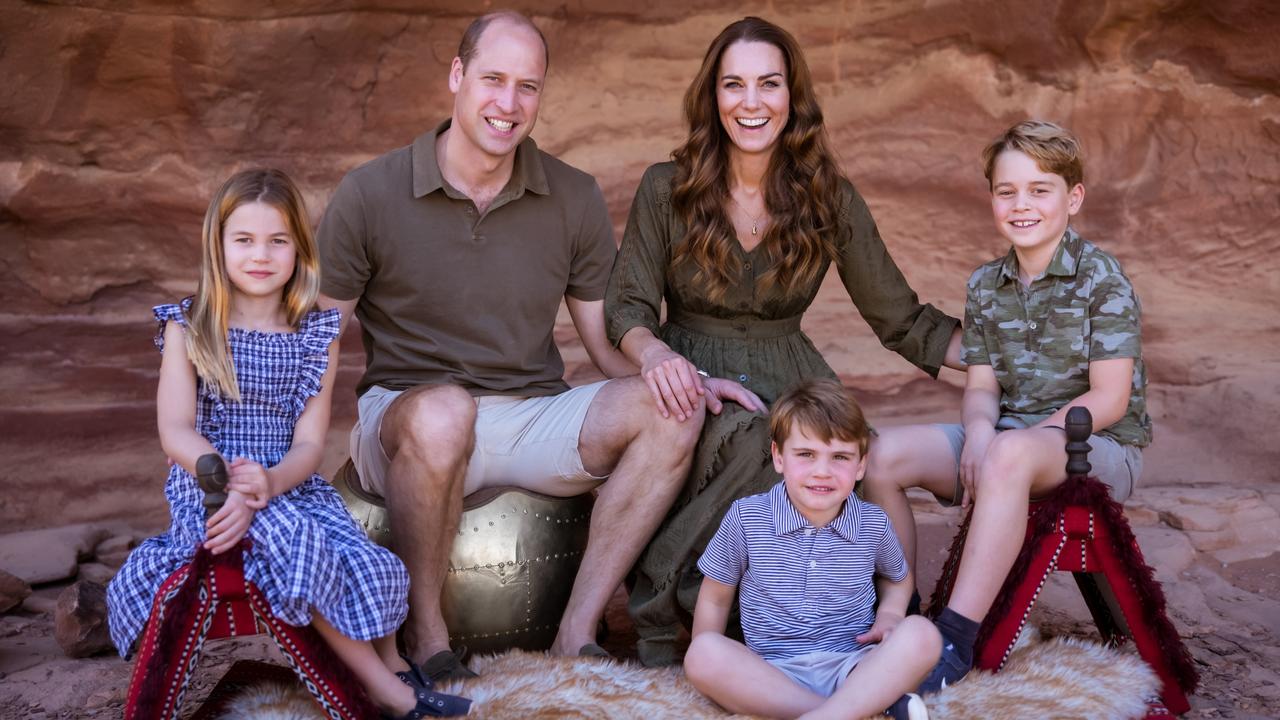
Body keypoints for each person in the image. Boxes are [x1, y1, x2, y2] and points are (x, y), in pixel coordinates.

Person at [316, 11, 755, 678]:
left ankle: (575, 633)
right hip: (405, 421)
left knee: (673, 410)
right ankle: (428, 643)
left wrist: (675, 374)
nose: (509, 103)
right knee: (445, 413)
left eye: (528, 86)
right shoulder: (370, 193)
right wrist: (289, 459)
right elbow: (315, 345)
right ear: (457, 77)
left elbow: (607, 346)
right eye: (493, 79)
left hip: (526, 415)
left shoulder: (570, 196)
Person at [605, 16, 962, 666]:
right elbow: (626, 305)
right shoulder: (666, 188)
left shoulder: (828, 198)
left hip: (793, 371)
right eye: (733, 85)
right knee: (759, 439)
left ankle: (868, 632)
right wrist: (656, 357)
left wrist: (1007, 359)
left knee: (834, 454)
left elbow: (901, 318)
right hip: (692, 377)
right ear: (712, 98)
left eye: (769, 84)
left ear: (792, 97)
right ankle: (660, 609)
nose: (751, 102)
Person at [105, 169, 470, 718]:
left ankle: (394, 664)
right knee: (291, 538)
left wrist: (272, 481)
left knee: (366, 558)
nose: (261, 254)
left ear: (300, 249)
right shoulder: (190, 327)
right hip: (208, 489)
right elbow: (175, 429)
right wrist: (223, 476)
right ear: (218, 245)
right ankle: (391, 694)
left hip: (290, 485)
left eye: (278, 241)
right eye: (244, 240)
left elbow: (308, 443)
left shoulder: (315, 333)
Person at [862, 120, 1151, 691]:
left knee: (1010, 454)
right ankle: (901, 610)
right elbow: (983, 387)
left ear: (1073, 198)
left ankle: (955, 640)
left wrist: (1006, 447)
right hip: (1009, 441)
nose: (1022, 205)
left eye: (1040, 190)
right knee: (881, 457)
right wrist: (978, 434)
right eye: (1006, 191)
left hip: (1093, 448)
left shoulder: (1102, 280)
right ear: (992, 197)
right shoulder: (985, 286)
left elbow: (1110, 400)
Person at [684, 379, 939, 720]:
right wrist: (714, 666)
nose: (822, 471)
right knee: (701, 653)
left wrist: (890, 616)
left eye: (840, 457)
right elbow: (715, 596)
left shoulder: (873, 523)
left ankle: (832, 711)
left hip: (855, 667)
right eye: (806, 454)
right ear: (779, 457)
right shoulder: (748, 518)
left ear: (860, 465)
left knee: (922, 635)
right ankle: (847, 712)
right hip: (771, 673)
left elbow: (897, 579)